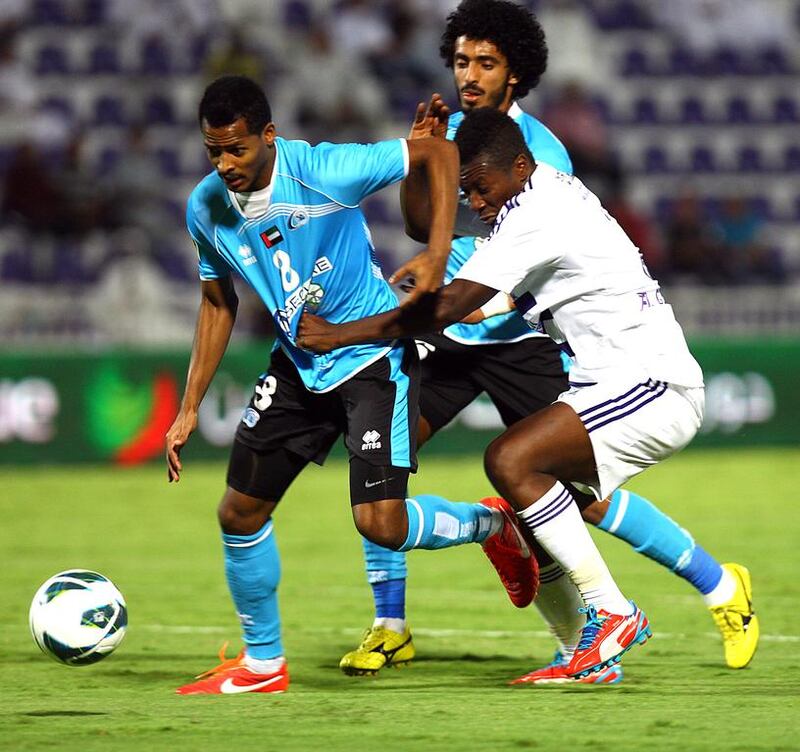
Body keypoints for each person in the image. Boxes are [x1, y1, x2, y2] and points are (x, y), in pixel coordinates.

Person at [342, 0, 757, 683]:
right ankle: (395, 623)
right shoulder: (456, 137)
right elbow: (426, 228)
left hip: (520, 339)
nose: (469, 74)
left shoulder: (536, 157)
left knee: (562, 488)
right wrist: (423, 164)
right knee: (388, 457)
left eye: (486, 62)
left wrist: (388, 316)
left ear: (517, 72)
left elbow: (521, 255)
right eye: (461, 60)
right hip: (469, 322)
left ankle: (706, 589)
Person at [166, 75, 541, 695]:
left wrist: (435, 253)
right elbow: (215, 304)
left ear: (269, 136)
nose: (226, 164)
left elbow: (439, 152)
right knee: (238, 511)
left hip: (372, 360)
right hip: (298, 362)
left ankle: (493, 527)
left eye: (237, 149)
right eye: (214, 151)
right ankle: (263, 665)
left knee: (381, 525)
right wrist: (187, 409)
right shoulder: (204, 206)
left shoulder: (326, 170)